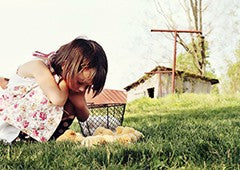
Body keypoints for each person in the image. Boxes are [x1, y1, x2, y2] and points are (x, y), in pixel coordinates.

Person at [0, 37, 108, 143]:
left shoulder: (72, 79)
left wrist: (78, 102)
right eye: (80, 82)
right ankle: (24, 138)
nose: (82, 89)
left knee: (70, 102)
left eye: (88, 86)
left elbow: (84, 117)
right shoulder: (38, 66)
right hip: (11, 126)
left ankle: (46, 137)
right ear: (65, 66)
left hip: (32, 126)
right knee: (58, 96)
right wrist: (65, 83)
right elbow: (58, 99)